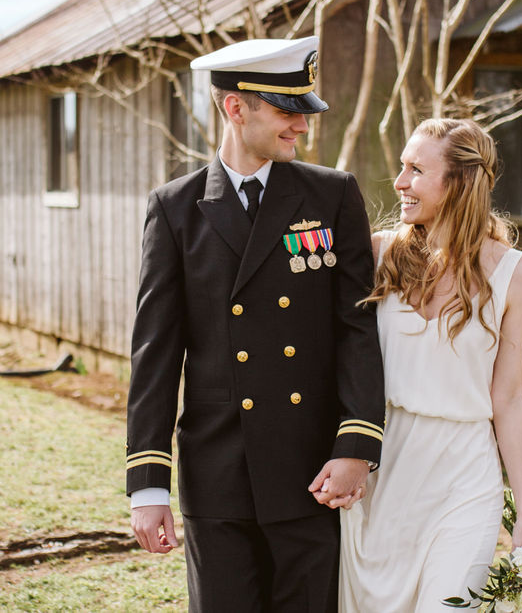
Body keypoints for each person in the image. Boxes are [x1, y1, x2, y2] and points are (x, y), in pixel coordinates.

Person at [126, 36, 385, 613]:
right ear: (236, 108)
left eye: (305, 112)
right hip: (219, 471)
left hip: (311, 470)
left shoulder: (332, 194)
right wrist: (148, 484)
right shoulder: (175, 208)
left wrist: (355, 445)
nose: (301, 127)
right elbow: (156, 354)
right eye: (287, 111)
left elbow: (357, 329)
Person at [339, 118, 522, 612]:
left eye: (415, 170)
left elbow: (510, 394)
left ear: (458, 183)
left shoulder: (517, 274)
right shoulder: (378, 254)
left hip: (465, 477)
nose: (399, 182)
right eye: (401, 167)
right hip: (383, 469)